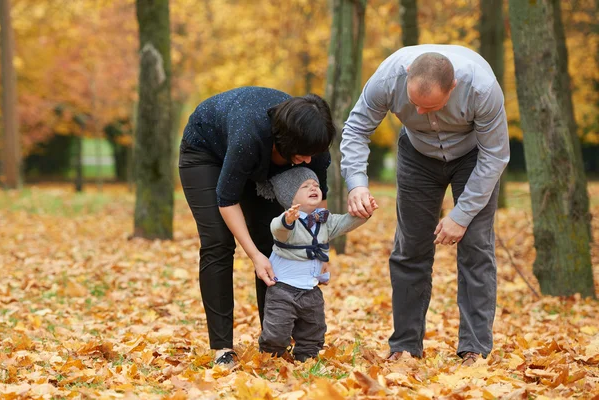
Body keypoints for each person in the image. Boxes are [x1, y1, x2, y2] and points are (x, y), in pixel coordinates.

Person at [340, 45, 510, 366]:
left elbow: (495, 156)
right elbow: (356, 128)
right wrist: (357, 183)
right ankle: (405, 346)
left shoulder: (482, 89)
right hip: (417, 156)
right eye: (414, 103)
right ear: (406, 78)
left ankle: (474, 348)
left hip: (473, 158)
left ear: (454, 88)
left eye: (431, 106)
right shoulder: (387, 78)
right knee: (410, 249)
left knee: (475, 248)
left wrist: (461, 216)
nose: (419, 112)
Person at [179, 87, 336, 367]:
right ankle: (222, 349)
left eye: (315, 154)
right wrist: (254, 256)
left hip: (265, 157)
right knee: (218, 242)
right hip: (207, 152)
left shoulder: (313, 147)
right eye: (305, 154)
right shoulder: (249, 135)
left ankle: (274, 342)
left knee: (274, 241)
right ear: (286, 141)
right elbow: (227, 200)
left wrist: (319, 250)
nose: (310, 161)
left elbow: (317, 203)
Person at [256, 167, 377, 361]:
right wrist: (287, 219)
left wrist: (363, 213)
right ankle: (270, 355)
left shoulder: (324, 222)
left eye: (316, 185)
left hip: (311, 290)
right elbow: (278, 229)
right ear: (290, 197)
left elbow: (345, 222)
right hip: (283, 289)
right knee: (277, 330)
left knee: (313, 328)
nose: (313, 187)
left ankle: (307, 356)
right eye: (305, 186)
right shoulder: (288, 222)